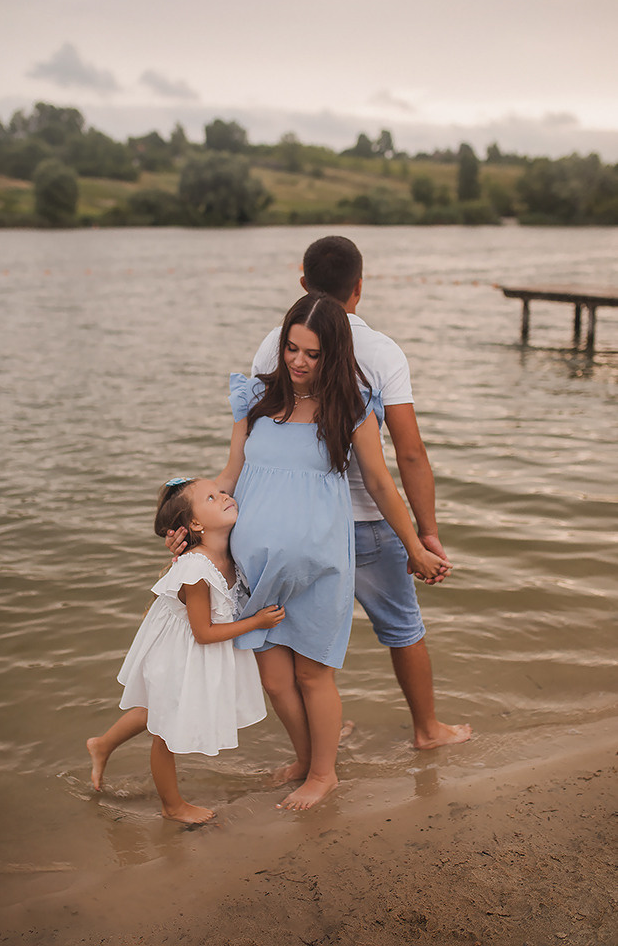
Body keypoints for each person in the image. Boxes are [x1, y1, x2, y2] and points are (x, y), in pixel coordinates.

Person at [215, 293, 450, 810]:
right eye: (291, 348)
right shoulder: (255, 399)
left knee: (311, 673)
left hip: (320, 563)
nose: (298, 361)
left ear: (333, 355)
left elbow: (382, 485)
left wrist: (415, 545)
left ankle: (324, 775)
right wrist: (188, 522)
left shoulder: (351, 408)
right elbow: (230, 473)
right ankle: (304, 760)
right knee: (275, 680)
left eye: (312, 353)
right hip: (255, 566)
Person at [245, 236, 471, 752]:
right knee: (402, 627)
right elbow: (409, 454)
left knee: (300, 638)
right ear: (359, 289)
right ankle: (427, 730)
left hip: (296, 524)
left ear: (303, 282)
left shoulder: (276, 343)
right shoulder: (383, 351)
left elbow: (262, 442)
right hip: (370, 521)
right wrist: (425, 534)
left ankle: (326, 735)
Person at [87, 476, 284, 824]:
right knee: (167, 729)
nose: (225, 496)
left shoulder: (231, 551)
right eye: (212, 497)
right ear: (194, 523)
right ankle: (172, 806)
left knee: (159, 708)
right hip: (180, 649)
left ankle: (102, 745)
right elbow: (204, 633)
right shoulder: (197, 570)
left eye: (222, 491)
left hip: (188, 646)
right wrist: (257, 623)